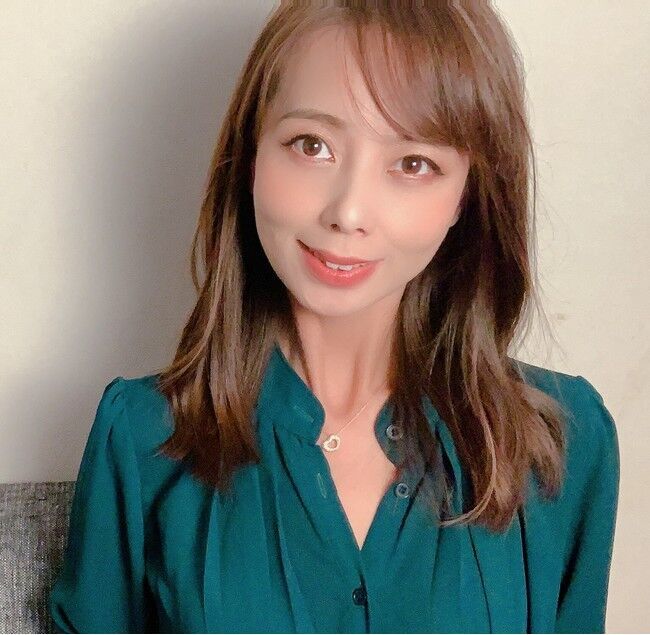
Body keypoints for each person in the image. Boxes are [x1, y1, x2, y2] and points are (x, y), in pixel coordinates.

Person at [48, 2, 620, 633]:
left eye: (413, 163)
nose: (348, 212)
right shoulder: (141, 438)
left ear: (466, 196)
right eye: (312, 145)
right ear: (251, 157)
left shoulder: (561, 443)